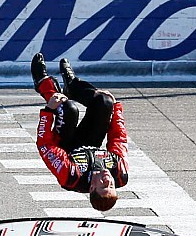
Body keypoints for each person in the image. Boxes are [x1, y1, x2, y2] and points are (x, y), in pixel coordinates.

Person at [31, 52, 129, 211]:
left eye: (104, 186)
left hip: (64, 145)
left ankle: (43, 82)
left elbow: (45, 146)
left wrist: (48, 111)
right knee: (106, 101)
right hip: (91, 140)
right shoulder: (119, 173)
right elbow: (119, 139)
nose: (108, 181)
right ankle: (73, 86)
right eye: (112, 186)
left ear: (91, 188)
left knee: (69, 108)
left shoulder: (71, 176)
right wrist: (116, 108)